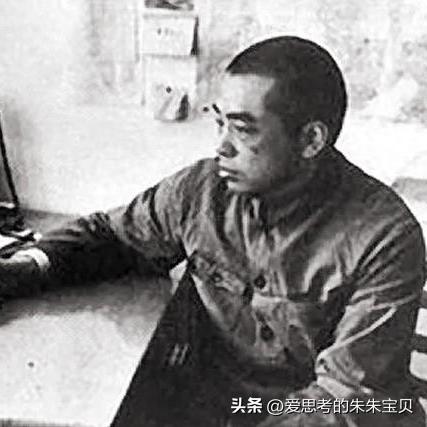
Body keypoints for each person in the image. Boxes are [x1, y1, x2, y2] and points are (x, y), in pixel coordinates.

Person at [0, 36, 425, 426]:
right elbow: (111, 236)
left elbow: (345, 400)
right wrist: (24, 268)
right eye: (219, 123)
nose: (221, 146)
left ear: (311, 139)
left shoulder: (385, 237)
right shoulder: (202, 190)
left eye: (242, 129)